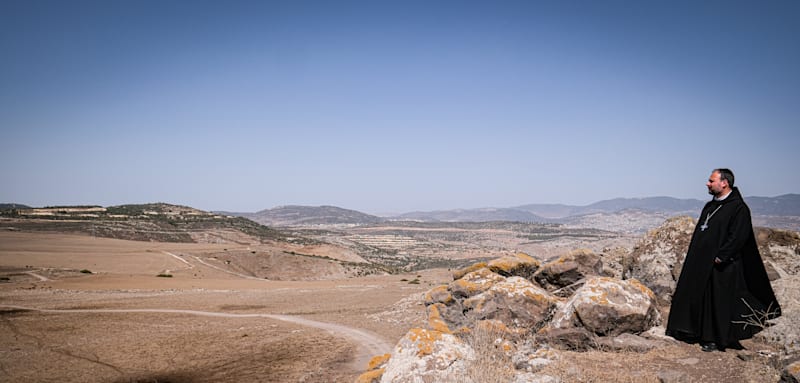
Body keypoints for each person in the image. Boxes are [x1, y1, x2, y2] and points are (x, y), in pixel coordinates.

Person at [666, 168, 781, 352]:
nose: (707, 184)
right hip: (702, 262)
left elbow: (739, 236)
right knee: (701, 296)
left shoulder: (739, 208)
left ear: (724, 183)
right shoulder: (710, 206)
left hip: (723, 265)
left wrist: (721, 257)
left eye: (711, 181)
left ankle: (713, 338)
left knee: (717, 301)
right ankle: (694, 331)